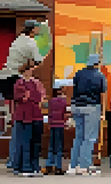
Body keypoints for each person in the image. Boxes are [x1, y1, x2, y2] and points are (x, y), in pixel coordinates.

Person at [1, 20, 44, 171]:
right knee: (19, 126)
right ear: (33, 29)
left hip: (5, 78)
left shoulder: (18, 40)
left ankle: (14, 160)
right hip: (13, 78)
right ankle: (16, 162)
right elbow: (38, 60)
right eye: (38, 27)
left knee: (15, 123)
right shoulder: (30, 43)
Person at [68, 54, 107, 176]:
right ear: (97, 63)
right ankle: (84, 166)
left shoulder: (78, 74)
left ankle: (73, 165)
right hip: (91, 107)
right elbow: (102, 95)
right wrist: (103, 112)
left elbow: (72, 89)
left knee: (79, 136)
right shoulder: (100, 76)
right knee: (89, 137)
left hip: (77, 107)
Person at [12, 60, 46, 177]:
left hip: (37, 115)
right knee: (25, 142)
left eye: (31, 68)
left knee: (36, 143)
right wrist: (31, 96)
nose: (30, 71)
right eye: (28, 69)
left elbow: (40, 96)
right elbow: (21, 97)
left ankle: (35, 166)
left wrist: (31, 96)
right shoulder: (19, 83)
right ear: (24, 71)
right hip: (24, 116)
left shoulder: (37, 83)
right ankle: (25, 167)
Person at [45, 84, 69, 175]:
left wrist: (49, 123)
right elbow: (64, 113)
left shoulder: (50, 102)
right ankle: (58, 167)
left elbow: (49, 113)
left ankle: (49, 165)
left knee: (51, 146)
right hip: (60, 125)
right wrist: (65, 122)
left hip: (52, 125)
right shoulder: (63, 101)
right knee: (59, 147)